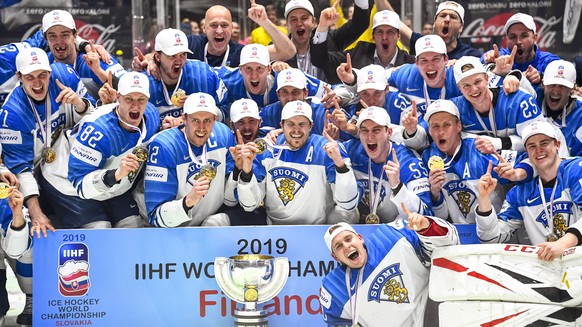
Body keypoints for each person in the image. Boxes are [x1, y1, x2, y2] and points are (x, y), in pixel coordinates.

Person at [38, 72, 160, 229]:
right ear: (118, 98)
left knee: (132, 227)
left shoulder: (152, 115)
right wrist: (116, 175)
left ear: (148, 100)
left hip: (113, 179)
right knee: (99, 229)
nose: (135, 105)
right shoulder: (98, 131)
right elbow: (80, 184)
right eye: (129, 99)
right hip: (66, 179)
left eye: (141, 99)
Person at [320, 209, 459, 325]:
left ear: (360, 238)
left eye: (348, 239)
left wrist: (426, 227)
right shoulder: (335, 288)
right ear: (335, 257)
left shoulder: (392, 235)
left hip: (433, 316)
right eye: (338, 246)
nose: (346, 246)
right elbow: (336, 322)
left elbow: (449, 245)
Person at [235, 100, 358, 225]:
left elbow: (348, 203)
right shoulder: (267, 148)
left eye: (302, 124)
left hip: (315, 231)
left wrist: (340, 165)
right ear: (281, 126)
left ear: (311, 126)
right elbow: (248, 205)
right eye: (291, 124)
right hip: (274, 233)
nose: (296, 130)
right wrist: (246, 171)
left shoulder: (326, 149)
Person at [475, 121, 582, 261]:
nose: (539, 150)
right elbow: (490, 238)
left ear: (557, 145)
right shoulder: (519, 193)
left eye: (544, 143)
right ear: (527, 153)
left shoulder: (576, 169)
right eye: (532, 146)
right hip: (546, 271)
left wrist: (563, 243)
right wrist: (484, 199)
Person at [144, 93, 236, 227]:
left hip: (208, 219)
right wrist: (187, 201)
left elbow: (230, 199)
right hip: (171, 228)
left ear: (215, 120)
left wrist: (241, 171)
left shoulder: (224, 136)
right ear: (184, 119)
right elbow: (156, 216)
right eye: (195, 120)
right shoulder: (165, 146)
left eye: (207, 121)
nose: (202, 128)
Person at [421, 99, 511, 224]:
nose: (441, 132)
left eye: (447, 125)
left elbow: (518, 176)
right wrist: (435, 194)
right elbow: (441, 217)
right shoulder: (428, 157)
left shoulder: (480, 147)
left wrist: (512, 173)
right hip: (460, 235)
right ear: (430, 131)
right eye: (435, 126)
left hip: (495, 229)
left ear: (458, 126)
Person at [344, 106, 431, 223]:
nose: (370, 136)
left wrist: (397, 186)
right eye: (364, 130)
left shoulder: (408, 162)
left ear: (389, 132)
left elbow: (425, 215)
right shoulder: (351, 150)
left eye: (376, 130)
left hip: (396, 231)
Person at [143, 28, 228, 125]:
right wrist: (159, 128)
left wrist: (202, 106)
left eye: (183, 55)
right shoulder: (145, 83)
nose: (179, 61)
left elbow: (224, 110)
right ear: (157, 57)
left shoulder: (203, 74)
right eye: (172, 55)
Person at [311, 10, 415, 84]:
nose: (384, 37)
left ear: (398, 36)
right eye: (379, 32)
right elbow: (321, 60)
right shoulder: (359, 53)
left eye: (390, 32)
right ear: (373, 36)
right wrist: (323, 27)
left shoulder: (409, 63)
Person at [42, 9, 124, 99]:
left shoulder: (96, 58)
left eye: (64, 35)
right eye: (52, 36)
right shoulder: (43, 63)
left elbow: (129, 88)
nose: (59, 41)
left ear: (75, 36)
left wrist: (98, 71)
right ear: (46, 40)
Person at [185, 4, 295, 68]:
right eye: (213, 25)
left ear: (231, 28)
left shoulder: (241, 53)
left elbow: (288, 52)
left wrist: (264, 21)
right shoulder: (190, 45)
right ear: (204, 28)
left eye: (224, 25)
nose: (219, 31)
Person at [284, 0, 369, 81]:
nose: (299, 23)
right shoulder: (279, 49)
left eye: (304, 18)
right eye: (293, 19)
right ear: (287, 24)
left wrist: (323, 26)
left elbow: (359, 24)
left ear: (313, 22)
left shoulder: (330, 39)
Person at [482, 13, 560, 85]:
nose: (518, 41)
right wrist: (491, 66)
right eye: (513, 37)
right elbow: (474, 70)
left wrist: (542, 77)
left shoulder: (548, 62)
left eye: (524, 36)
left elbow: (565, 80)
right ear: (507, 40)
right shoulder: (501, 58)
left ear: (535, 37)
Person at [397, 1, 482, 59]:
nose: (447, 19)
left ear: (461, 27)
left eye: (453, 17)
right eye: (443, 15)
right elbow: (393, 20)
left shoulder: (471, 56)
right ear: (434, 22)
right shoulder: (422, 44)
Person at [538, 60, 582, 157]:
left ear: (572, 89)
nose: (556, 91)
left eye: (562, 86)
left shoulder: (580, 115)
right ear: (543, 84)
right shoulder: (532, 100)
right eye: (552, 85)